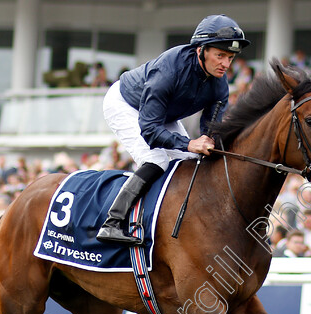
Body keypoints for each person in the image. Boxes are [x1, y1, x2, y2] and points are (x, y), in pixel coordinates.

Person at [96, 14, 249, 244]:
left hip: (163, 114)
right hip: (126, 104)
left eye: (230, 57)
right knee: (156, 159)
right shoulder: (168, 70)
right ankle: (112, 222)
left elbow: (211, 131)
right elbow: (149, 130)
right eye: (220, 55)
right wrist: (190, 142)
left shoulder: (219, 85)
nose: (226, 64)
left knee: (191, 160)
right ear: (201, 50)